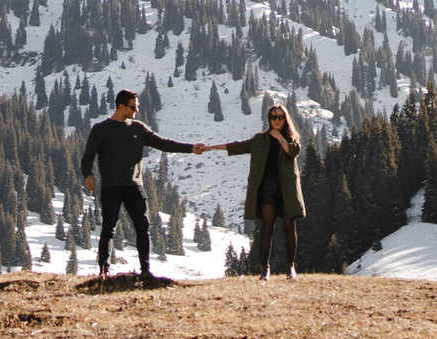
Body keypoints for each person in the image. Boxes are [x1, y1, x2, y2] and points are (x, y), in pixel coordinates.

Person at [81, 89, 198, 285]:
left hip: (134, 186)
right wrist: (88, 175)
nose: (136, 110)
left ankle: (145, 271)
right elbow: (88, 156)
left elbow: (163, 143)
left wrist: (191, 148)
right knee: (108, 228)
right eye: (133, 107)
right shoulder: (101, 129)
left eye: (136, 106)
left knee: (143, 227)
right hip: (111, 187)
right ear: (121, 106)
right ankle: (103, 272)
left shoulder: (138, 128)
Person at [213, 99, 306, 280]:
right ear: (269, 118)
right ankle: (265, 271)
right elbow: (238, 146)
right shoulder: (260, 139)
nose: (277, 120)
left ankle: (290, 269)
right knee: (267, 228)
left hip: (287, 188)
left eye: (280, 117)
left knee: (289, 226)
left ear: (285, 119)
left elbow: (294, 151)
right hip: (267, 188)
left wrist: (280, 138)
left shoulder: (292, 139)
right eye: (273, 117)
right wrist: (211, 147)